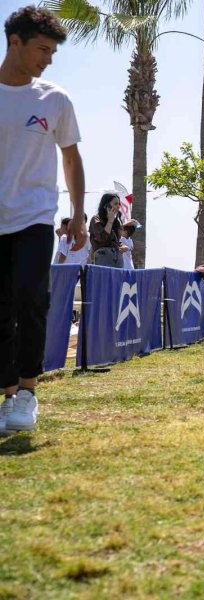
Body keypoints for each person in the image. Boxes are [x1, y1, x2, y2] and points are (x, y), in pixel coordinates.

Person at [1, 6, 84, 433]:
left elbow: (70, 157)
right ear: (14, 41)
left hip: (35, 218)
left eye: (52, 52)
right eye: (42, 49)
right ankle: (8, 395)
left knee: (32, 299)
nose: (48, 59)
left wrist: (78, 214)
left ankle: (29, 394)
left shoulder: (54, 98)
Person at [89, 192, 125, 267]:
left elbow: (115, 241)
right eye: (115, 204)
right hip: (102, 260)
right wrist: (110, 221)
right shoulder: (96, 219)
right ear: (106, 206)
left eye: (119, 204)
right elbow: (102, 238)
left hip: (116, 260)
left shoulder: (116, 222)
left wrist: (121, 246)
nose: (118, 206)